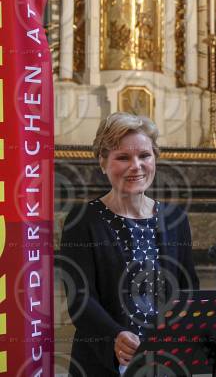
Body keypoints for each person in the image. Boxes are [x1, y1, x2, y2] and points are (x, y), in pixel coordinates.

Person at [59, 112, 199, 376]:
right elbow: (80, 298)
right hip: (104, 361)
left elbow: (187, 289)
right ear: (103, 162)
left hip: (166, 360)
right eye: (123, 157)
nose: (136, 166)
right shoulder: (83, 222)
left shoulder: (175, 219)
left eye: (144, 155)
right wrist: (115, 335)